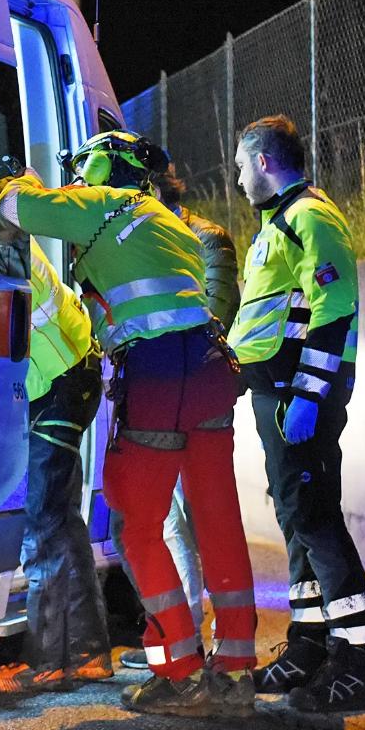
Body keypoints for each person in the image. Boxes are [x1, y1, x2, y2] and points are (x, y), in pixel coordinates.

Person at [0, 130, 257, 717]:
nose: (80, 174)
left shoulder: (102, 203)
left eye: (85, 163)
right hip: (211, 372)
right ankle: (237, 671)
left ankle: (182, 672)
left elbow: (15, 207)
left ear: (106, 163)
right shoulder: (168, 221)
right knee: (216, 519)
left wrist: (17, 177)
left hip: (159, 376)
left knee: (135, 525)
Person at [232, 114, 365, 713]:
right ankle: (308, 646)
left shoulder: (308, 217)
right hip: (279, 393)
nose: (239, 180)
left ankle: (355, 667)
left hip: (299, 396)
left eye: (242, 167)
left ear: (264, 162)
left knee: (315, 517)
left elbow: (335, 303)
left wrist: (309, 396)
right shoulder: (279, 223)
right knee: (296, 517)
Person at [113, 162, 241, 671]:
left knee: (188, 519)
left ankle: (192, 640)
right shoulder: (142, 239)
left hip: (192, 391)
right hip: (161, 388)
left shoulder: (204, 238)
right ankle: (181, 637)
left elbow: (213, 315)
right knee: (164, 520)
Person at [0, 221, 113, 693]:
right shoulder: (13, 237)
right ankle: (88, 653)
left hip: (58, 386)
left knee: (40, 528)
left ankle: (47, 660)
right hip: (68, 382)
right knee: (62, 523)